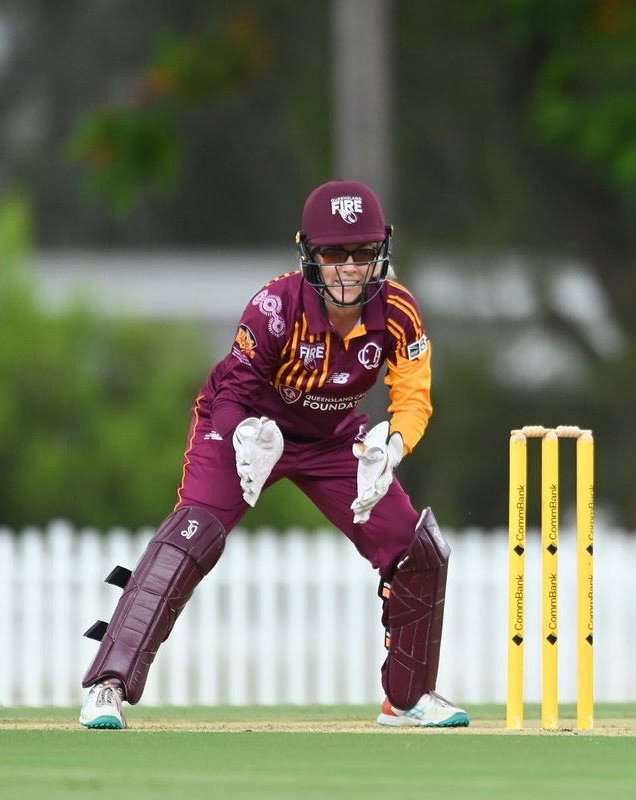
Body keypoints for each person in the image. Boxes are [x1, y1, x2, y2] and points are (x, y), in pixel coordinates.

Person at [78, 180, 469, 730]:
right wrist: (243, 436)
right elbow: (232, 392)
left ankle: (408, 697)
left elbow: (413, 398)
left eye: (362, 253)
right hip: (250, 429)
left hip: (334, 439)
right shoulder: (274, 307)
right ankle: (107, 684)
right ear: (309, 255)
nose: (350, 269)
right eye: (335, 254)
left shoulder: (399, 311)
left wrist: (394, 444)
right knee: (193, 535)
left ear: (381, 252)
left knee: (416, 548)